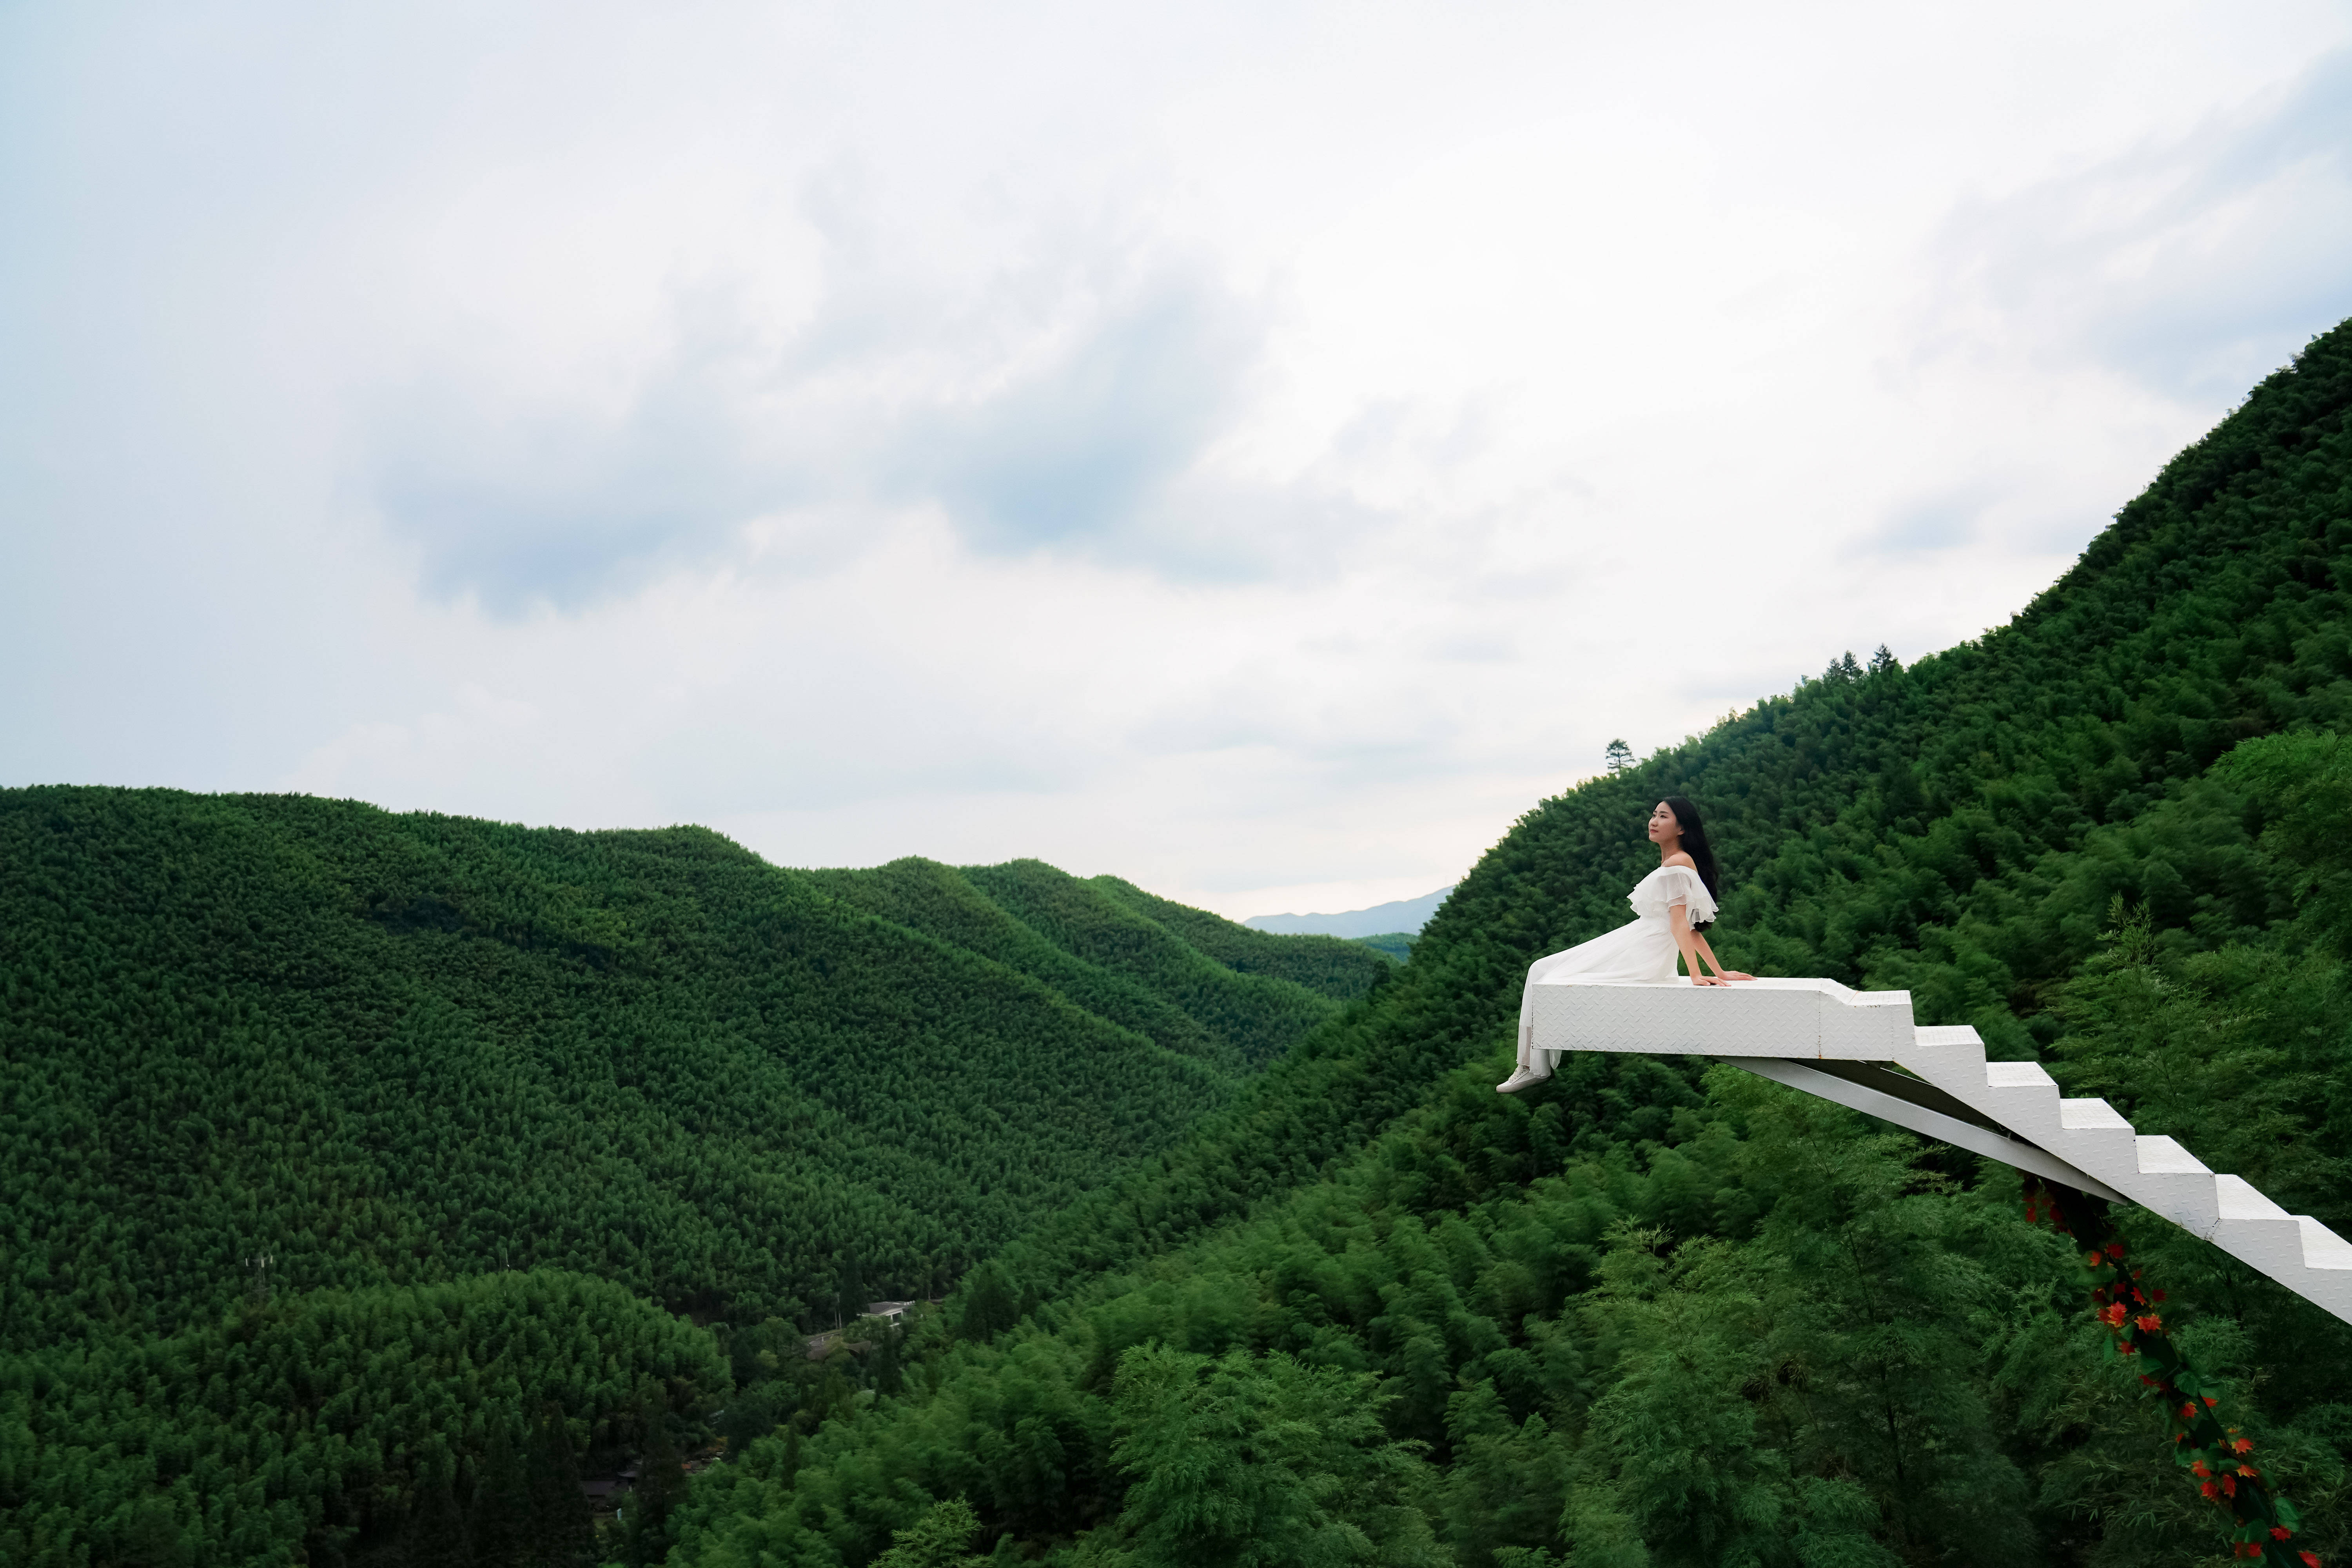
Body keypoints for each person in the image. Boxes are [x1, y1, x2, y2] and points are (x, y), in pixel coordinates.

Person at [1497, 795, 1752, 1093]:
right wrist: (1719, 971)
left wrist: (1698, 975)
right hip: (1639, 939)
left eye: (1664, 817)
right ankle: (1531, 1065)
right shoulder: (1673, 861)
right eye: (1654, 814)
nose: (1654, 821)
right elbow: (1691, 928)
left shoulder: (1679, 863)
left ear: (1682, 828)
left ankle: (1533, 1068)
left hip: (1646, 949)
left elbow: (1682, 924)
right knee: (1541, 969)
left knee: (1545, 973)